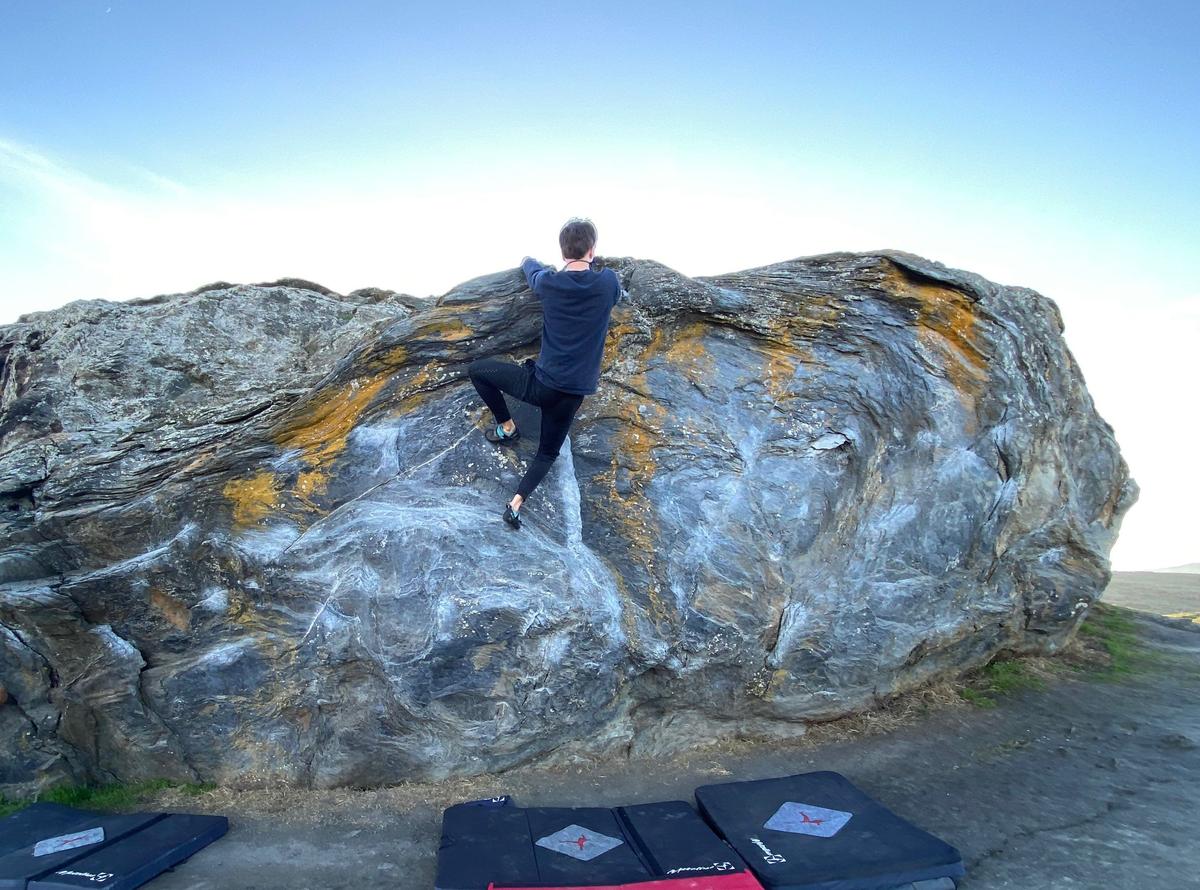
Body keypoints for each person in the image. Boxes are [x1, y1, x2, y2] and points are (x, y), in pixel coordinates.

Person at [468, 217, 625, 529]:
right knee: (547, 452)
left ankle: (507, 427)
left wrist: (528, 260)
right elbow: (617, 295)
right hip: (574, 394)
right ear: (592, 250)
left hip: (540, 386)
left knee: (478, 371)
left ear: (563, 251)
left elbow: (534, 272)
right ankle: (515, 505)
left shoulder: (551, 283)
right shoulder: (607, 282)